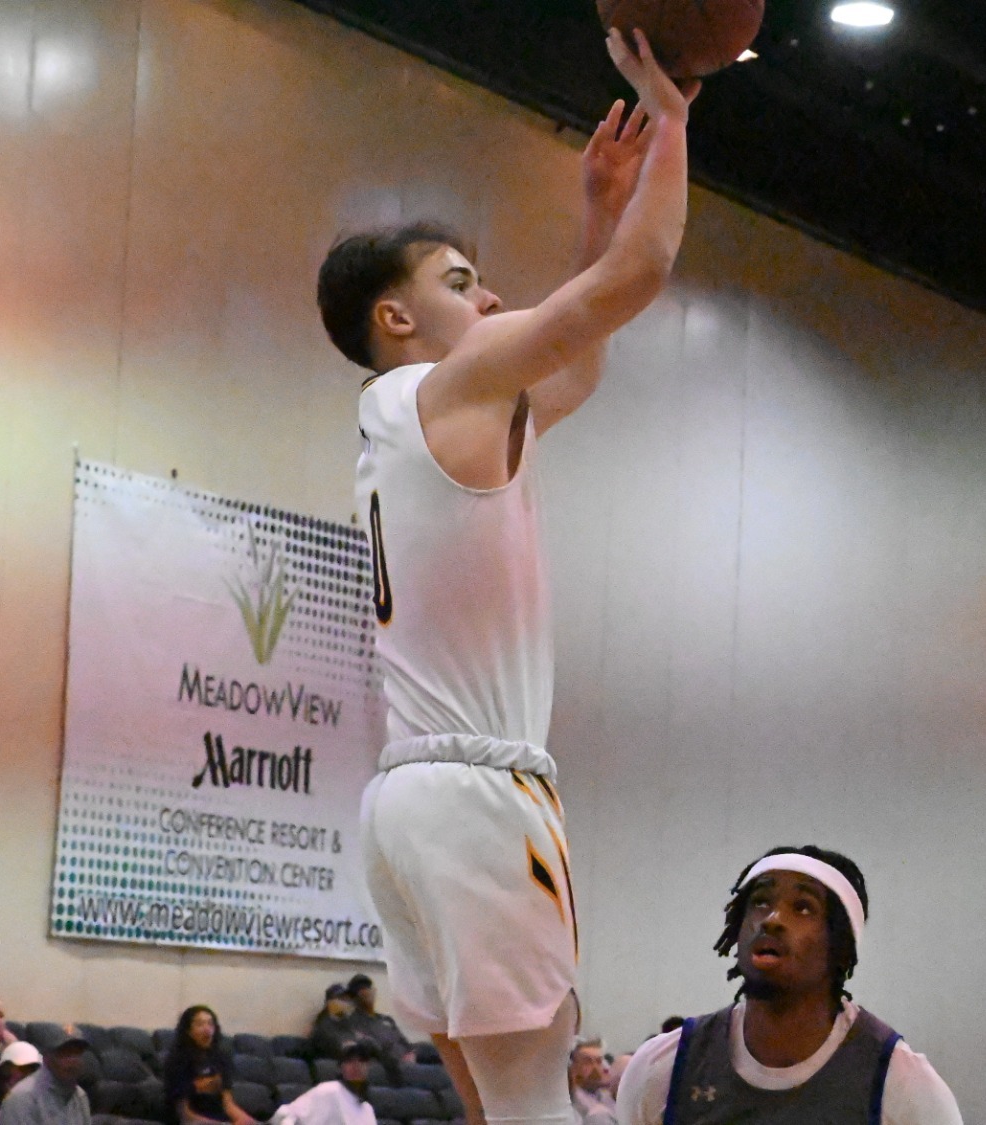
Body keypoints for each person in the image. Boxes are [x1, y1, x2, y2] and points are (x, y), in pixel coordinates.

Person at [321, 25, 696, 1125]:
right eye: (460, 282)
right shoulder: (443, 388)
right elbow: (641, 276)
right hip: (482, 800)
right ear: (396, 319)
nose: (487, 301)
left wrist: (596, 209)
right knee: (536, 1110)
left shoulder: (416, 418)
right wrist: (672, 119)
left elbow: (571, 358)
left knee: (491, 1110)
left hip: (404, 801)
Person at [615, 845, 963, 1125]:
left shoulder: (901, 1085)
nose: (772, 919)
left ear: (841, 946)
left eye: (803, 907)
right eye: (760, 902)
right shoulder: (663, 1067)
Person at [162, 1005, 255, 1125]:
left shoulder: (221, 1059)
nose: (207, 1029)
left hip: (220, 1119)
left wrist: (247, 1121)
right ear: (188, 1031)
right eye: (200, 1024)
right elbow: (184, 1115)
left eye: (210, 1024)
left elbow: (228, 1104)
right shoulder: (177, 1060)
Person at [273, 1041, 378, 1125]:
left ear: (368, 1067)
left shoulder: (367, 1109)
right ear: (341, 1068)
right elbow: (288, 1114)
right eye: (349, 1061)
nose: (356, 1066)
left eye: (361, 1061)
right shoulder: (329, 1090)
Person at [0, 1033, 89, 1125]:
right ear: (46, 1058)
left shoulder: (80, 1096)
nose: (73, 1061)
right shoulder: (22, 1098)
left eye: (78, 1053)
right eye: (65, 1053)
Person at [343, 976, 414, 1070]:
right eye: (362, 991)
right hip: (388, 1067)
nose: (368, 993)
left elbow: (405, 1043)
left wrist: (411, 1055)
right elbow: (373, 1050)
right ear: (355, 998)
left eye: (369, 989)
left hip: (409, 1063)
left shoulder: (386, 1019)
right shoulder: (353, 1022)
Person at [570, 1039, 614, 1124]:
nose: (596, 1068)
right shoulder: (572, 1104)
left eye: (599, 1061)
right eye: (588, 1062)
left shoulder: (608, 1098)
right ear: (573, 1068)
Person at [309, 986, 358, 1062]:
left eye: (347, 999)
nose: (346, 1002)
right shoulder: (324, 1026)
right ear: (329, 1002)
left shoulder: (347, 1023)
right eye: (341, 999)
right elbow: (339, 1046)